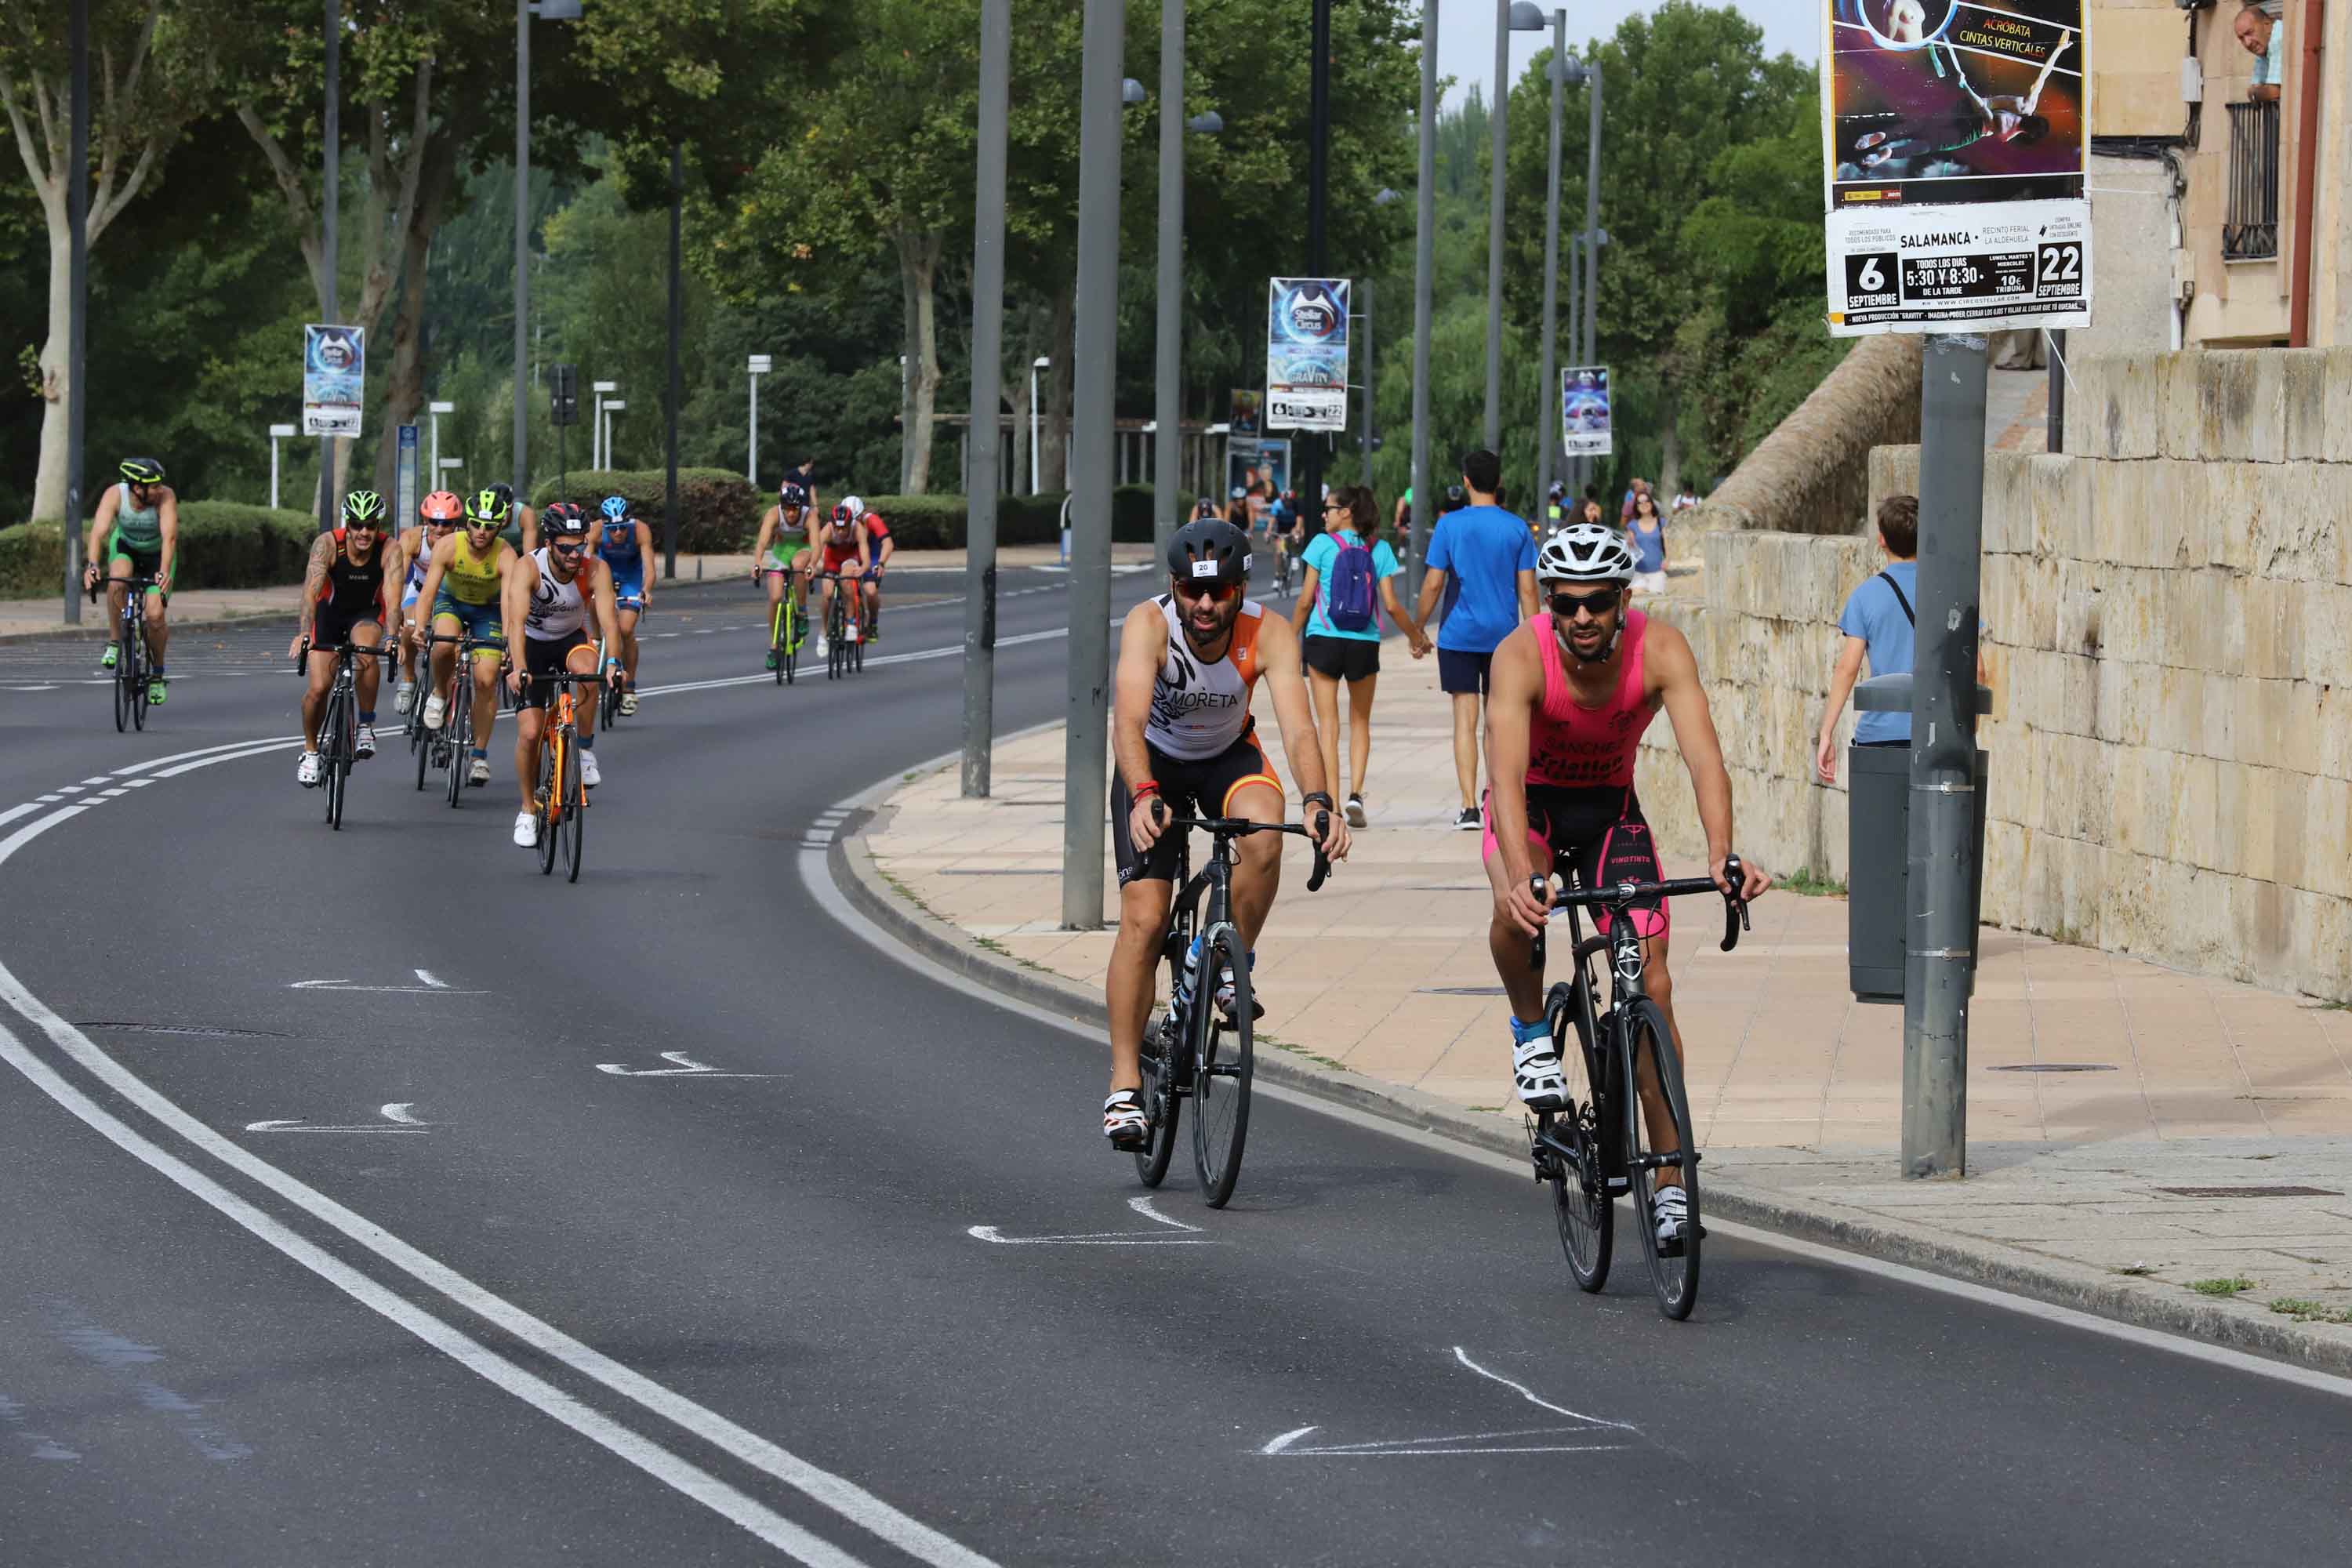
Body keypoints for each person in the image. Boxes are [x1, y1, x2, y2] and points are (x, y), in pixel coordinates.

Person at [1483, 522, 1773, 1248]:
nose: (1583, 617)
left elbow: (1706, 760)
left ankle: (1671, 1183)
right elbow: (1506, 782)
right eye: (1569, 603)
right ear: (1551, 601)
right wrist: (1523, 876)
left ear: (1622, 599)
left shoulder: (1662, 648)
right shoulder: (1520, 656)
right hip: (1536, 810)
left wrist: (1721, 855)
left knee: (1653, 985)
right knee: (1520, 913)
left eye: (1598, 603)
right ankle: (1529, 1032)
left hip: (1613, 811)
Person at [1099, 518, 1351, 1148]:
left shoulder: (1269, 631)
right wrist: (1144, 794)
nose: (1205, 606)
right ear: (1175, 587)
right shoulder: (1148, 625)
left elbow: (1297, 729)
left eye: (1219, 593)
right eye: (1192, 591)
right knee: (1145, 916)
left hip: (1226, 757)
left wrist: (1320, 802)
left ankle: (1227, 955)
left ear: (1240, 588)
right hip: (1153, 763)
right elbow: (1127, 722)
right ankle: (1126, 1084)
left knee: (1266, 835)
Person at [1812, 494, 1990, 782]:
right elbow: (1978, 669)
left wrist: (1826, 733)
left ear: (1882, 540)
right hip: (1941, 737)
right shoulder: (1953, 593)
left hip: (1880, 739)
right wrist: (1968, 729)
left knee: (1879, 826)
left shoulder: (1865, 596)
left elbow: (1847, 668)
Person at [1290, 485, 1431, 828]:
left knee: (1328, 725)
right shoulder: (1379, 549)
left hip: (1323, 639)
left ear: (1348, 511)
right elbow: (1393, 605)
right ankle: (1355, 794)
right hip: (1364, 643)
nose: (1324, 514)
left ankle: (1333, 804)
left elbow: (1306, 600)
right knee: (1360, 722)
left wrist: (1286, 638)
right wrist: (1417, 637)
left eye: (1329, 508)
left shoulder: (1320, 546)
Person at [1413, 448, 1537, 830]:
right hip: (1504, 637)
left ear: (1466, 481)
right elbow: (1529, 592)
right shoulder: (1517, 528)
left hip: (1458, 636)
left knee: (1464, 722)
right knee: (1497, 723)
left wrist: (1418, 628)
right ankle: (1496, 799)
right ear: (1498, 482)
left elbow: (1434, 583)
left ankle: (1469, 808)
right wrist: (1536, 639)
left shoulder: (1450, 527)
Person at [503, 503, 626, 847]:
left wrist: (615, 662)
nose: (575, 554)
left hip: (571, 640)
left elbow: (609, 621)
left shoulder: (595, 569)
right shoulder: (529, 568)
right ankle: (527, 810)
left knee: (589, 674)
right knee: (529, 733)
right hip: (532, 645)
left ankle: (584, 749)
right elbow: (514, 623)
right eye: (566, 547)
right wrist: (518, 667)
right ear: (549, 543)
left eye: (581, 545)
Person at [291, 491, 402, 786]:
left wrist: (393, 637)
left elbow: (393, 599)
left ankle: (365, 724)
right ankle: (311, 750)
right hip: (330, 613)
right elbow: (310, 592)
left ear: (378, 526)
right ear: (347, 524)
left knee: (367, 651)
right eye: (356, 524)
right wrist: (304, 632)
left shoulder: (390, 548)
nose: (363, 532)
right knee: (318, 689)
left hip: (366, 613)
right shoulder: (327, 544)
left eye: (370, 525)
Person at [416, 488, 517, 789]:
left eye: (489, 526)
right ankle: (441, 694)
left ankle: (479, 756)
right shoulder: (448, 546)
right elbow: (428, 593)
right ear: (467, 524)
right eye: (476, 524)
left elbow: (511, 604)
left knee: (486, 680)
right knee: (444, 642)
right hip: (452, 602)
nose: (482, 532)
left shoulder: (507, 555)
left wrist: (510, 643)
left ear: (500, 527)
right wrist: (421, 626)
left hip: (488, 612)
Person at [83, 456, 179, 704]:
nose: (160, 490)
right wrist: (92, 566)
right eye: (154, 486)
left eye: (160, 485)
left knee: (155, 615)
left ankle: (157, 675)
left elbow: (169, 537)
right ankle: (115, 640)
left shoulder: (166, 497)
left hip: (157, 554)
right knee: (118, 581)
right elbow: (98, 532)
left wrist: (164, 571)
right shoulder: (116, 495)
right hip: (126, 547)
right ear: (137, 488)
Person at [394, 489, 464, 713]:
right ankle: (408, 678)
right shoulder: (413, 538)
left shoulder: (464, 541)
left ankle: (444, 693)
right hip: (419, 591)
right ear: (426, 521)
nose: (440, 529)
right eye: (434, 522)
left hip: (452, 597)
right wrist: (395, 614)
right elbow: (397, 582)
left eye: (447, 524)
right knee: (410, 627)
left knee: (455, 647)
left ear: (456, 525)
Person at [596, 495, 655, 713]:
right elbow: (584, 560)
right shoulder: (594, 530)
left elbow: (649, 568)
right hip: (605, 572)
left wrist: (646, 590)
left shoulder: (640, 530)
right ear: (604, 525)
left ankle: (629, 688)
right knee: (594, 601)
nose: (618, 533)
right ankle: (595, 639)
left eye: (622, 527)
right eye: (612, 529)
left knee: (626, 630)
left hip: (631, 576)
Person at [751, 481, 817, 670]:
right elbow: (763, 541)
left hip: (803, 550)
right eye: (787, 508)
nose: (791, 513)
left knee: (798, 566)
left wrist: (812, 565)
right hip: (781, 551)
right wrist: (757, 562)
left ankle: (802, 612)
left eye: (795, 509)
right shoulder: (773, 514)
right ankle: (774, 645)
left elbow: (817, 545)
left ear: (800, 507)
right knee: (775, 597)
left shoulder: (809, 515)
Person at [812, 499, 873, 657]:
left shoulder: (857, 528)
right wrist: (812, 565)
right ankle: (824, 631)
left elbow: (865, 552)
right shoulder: (827, 530)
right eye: (837, 528)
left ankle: (851, 621)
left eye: (844, 528)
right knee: (827, 593)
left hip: (850, 557)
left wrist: (863, 567)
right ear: (833, 524)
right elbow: (816, 550)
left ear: (850, 524)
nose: (840, 532)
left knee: (847, 579)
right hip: (832, 559)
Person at [842, 495, 894, 641]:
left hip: (871, 554)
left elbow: (888, 543)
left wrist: (881, 563)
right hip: (852, 552)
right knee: (843, 579)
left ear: (862, 514)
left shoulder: (872, 520)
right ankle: (844, 614)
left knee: (870, 591)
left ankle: (873, 622)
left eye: (855, 519)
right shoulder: (841, 519)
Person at [2237, 2, 2284, 102]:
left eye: (2250, 33)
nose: (2247, 43)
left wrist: (2253, 94)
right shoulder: (2263, 48)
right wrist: (2257, 92)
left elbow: (2274, 92)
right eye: (2241, 38)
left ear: (2267, 25)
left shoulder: (2278, 39)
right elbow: (2257, 85)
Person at [1628, 488, 1668, 593]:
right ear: (1636, 507)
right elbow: (1629, 546)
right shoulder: (1632, 525)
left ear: (1652, 503)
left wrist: (1667, 559)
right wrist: (1629, 543)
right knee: (1638, 600)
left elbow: (1667, 544)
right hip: (1638, 572)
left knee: (1656, 602)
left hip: (1657, 571)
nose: (1644, 504)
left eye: (1647, 501)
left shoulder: (1661, 522)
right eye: (1640, 502)